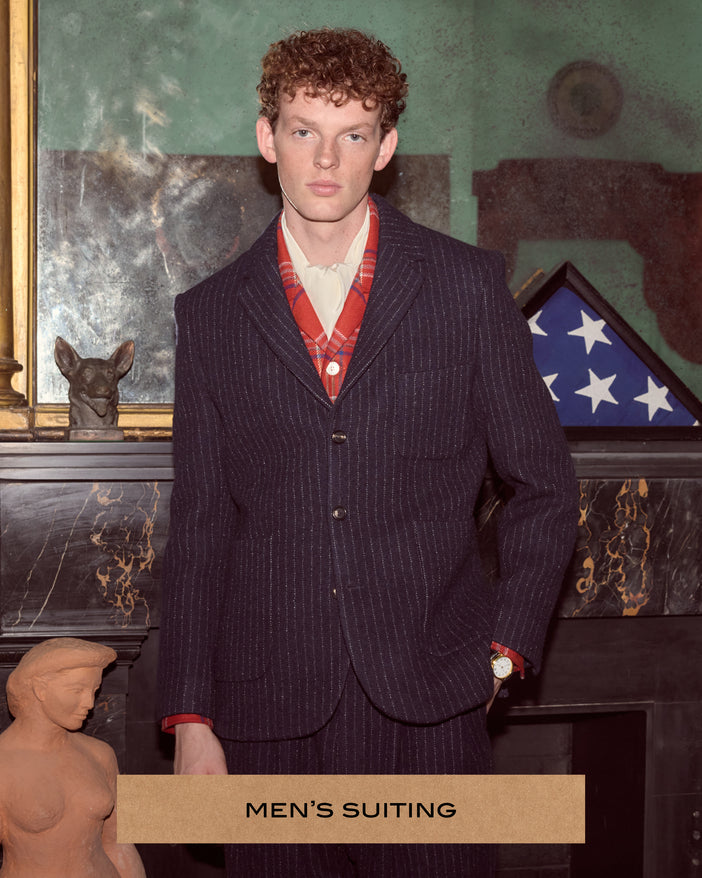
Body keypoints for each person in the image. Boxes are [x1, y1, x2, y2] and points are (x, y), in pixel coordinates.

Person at [157, 26, 578, 877]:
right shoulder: (210, 315)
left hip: (431, 706)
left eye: (353, 134)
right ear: (266, 137)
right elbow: (200, 528)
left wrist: (504, 652)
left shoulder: (465, 288)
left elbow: (546, 486)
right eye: (305, 129)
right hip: (264, 712)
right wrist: (191, 718)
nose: (326, 158)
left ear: (385, 147)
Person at [0, 637, 145, 878]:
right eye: (76, 690)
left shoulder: (101, 754)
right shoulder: (4, 763)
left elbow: (119, 842)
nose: (89, 702)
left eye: (94, 691)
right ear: (40, 689)